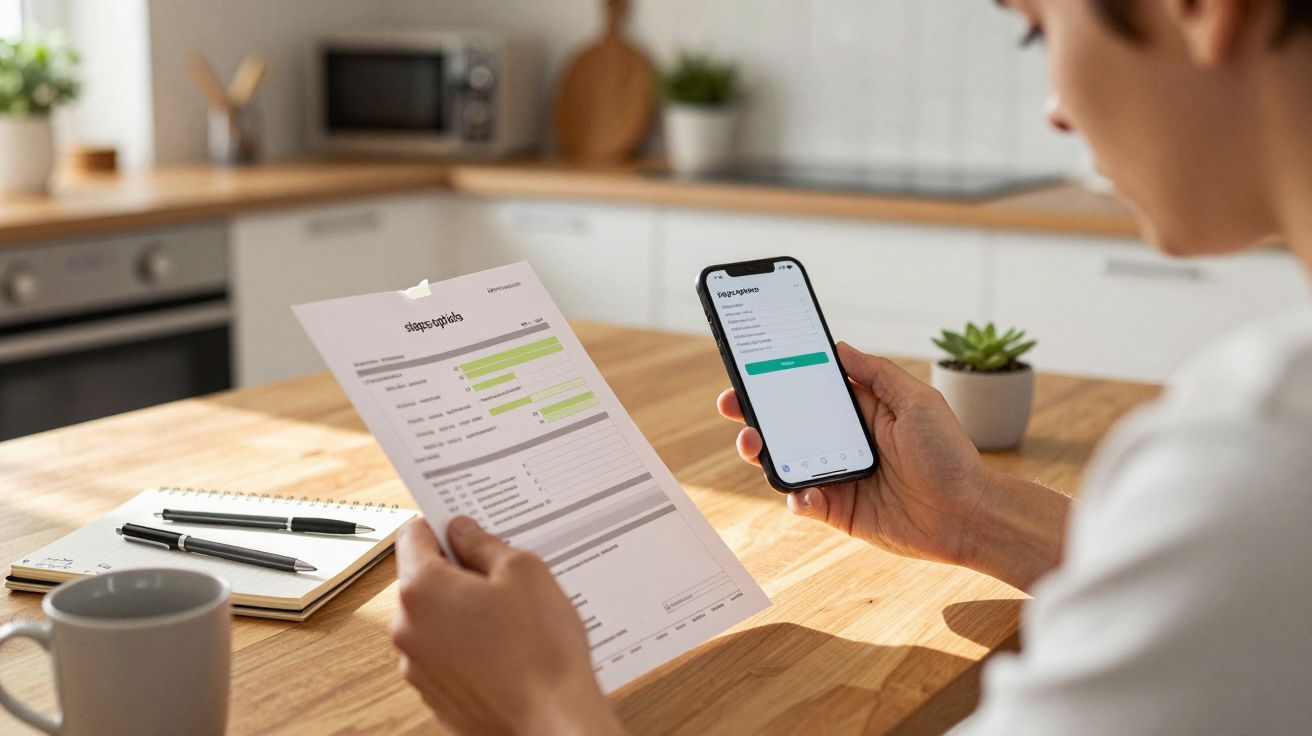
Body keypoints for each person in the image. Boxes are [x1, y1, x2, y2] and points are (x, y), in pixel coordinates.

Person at [388, 0, 1312, 732]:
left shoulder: (1258, 459)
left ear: (1201, 7)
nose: (1056, 109)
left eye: (1038, 30)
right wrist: (975, 518)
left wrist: (540, 704)